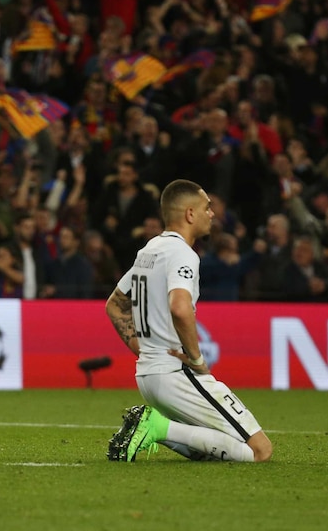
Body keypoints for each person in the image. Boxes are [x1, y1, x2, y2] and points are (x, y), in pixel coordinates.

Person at [105, 179, 272, 463]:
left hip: (148, 377)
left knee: (216, 451)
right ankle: (156, 427)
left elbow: (115, 306)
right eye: (207, 208)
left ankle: (151, 428)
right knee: (260, 451)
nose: (212, 214)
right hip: (176, 374)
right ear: (190, 214)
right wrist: (196, 359)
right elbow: (180, 308)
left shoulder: (149, 250)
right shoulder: (183, 253)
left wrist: (145, 352)